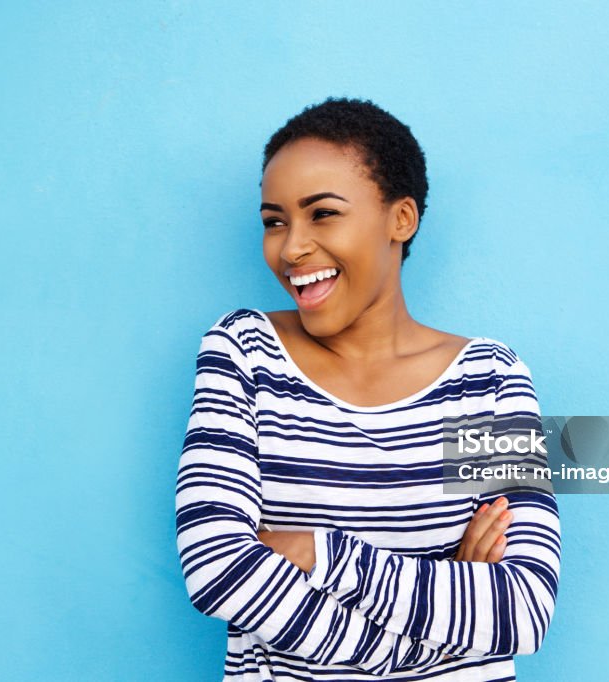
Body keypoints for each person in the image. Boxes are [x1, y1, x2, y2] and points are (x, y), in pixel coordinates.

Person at [175, 97, 561, 680]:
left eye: (322, 213)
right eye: (275, 221)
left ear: (399, 220)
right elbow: (218, 565)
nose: (291, 247)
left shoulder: (484, 384)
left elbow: (522, 608)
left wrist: (319, 553)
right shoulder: (246, 354)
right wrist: (441, 627)